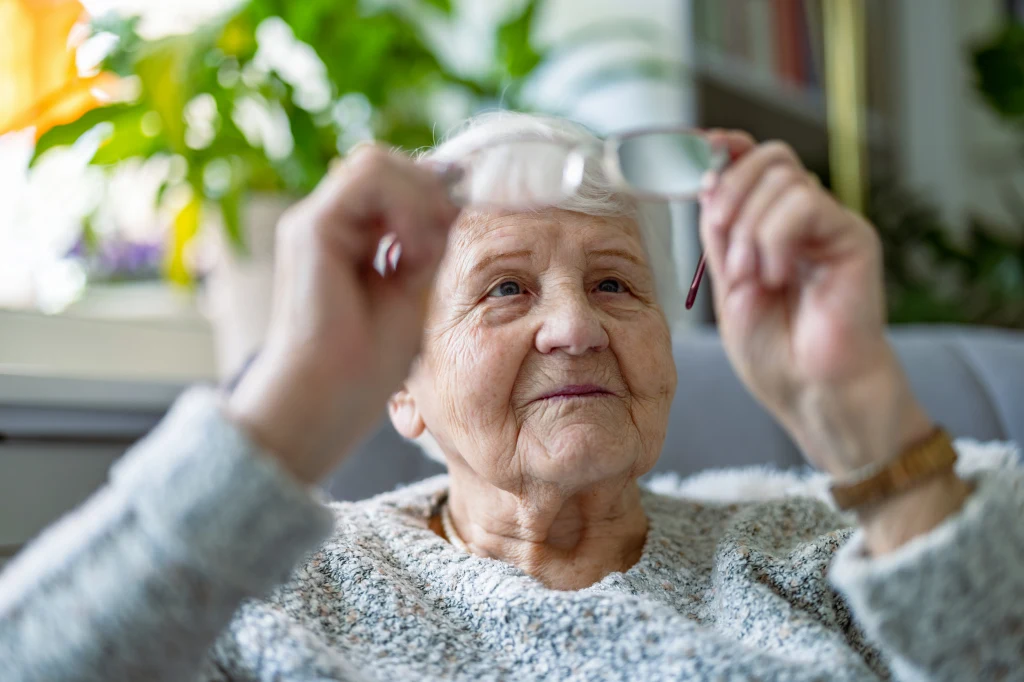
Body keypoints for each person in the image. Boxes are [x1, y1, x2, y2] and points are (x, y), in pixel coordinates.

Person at [1, 112, 1021, 682]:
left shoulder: (837, 542)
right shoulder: (275, 580)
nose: (574, 326)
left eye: (616, 283)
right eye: (505, 289)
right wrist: (287, 415)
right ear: (405, 388)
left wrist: (867, 425)